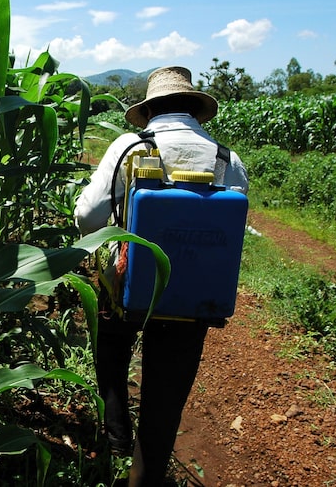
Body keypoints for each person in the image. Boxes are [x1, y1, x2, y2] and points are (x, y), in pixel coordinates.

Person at [74, 66, 249, 485]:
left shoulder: (129, 146)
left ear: (150, 110)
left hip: (127, 288)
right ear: (194, 110)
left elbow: (86, 216)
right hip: (192, 299)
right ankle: (146, 474)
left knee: (112, 352)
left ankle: (115, 439)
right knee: (166, 397)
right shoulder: (226, 158)